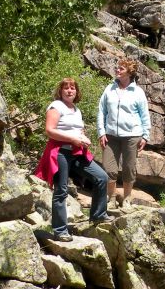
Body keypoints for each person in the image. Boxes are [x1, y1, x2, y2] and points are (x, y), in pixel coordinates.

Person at [34, 77, 110, 240]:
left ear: (77, 92)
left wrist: (83, 137)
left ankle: (98, 215)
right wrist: (72, 139)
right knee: (61, 190)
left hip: (77, 152)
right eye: (66, 88)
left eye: (73, 88)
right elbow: (50, 130)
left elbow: (77, 130)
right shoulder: (56, 106)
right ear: (60, 91)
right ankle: (60, 231)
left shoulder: (76, 110)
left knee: (101, 177)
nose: (70, 90)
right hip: (60, 151)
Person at [97, 58, 150, 210]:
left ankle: (127, 198)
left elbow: (144, 115)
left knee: (128, 168)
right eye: (117, 68)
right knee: (109, 169)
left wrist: (145, 136)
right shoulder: (109, 89)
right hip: (110, 135)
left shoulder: (138, 92)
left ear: (130, 72)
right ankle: (112, 198)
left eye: (121, 68)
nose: (117, 70)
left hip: (132, 136)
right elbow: (101, 111)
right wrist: (101, 132)